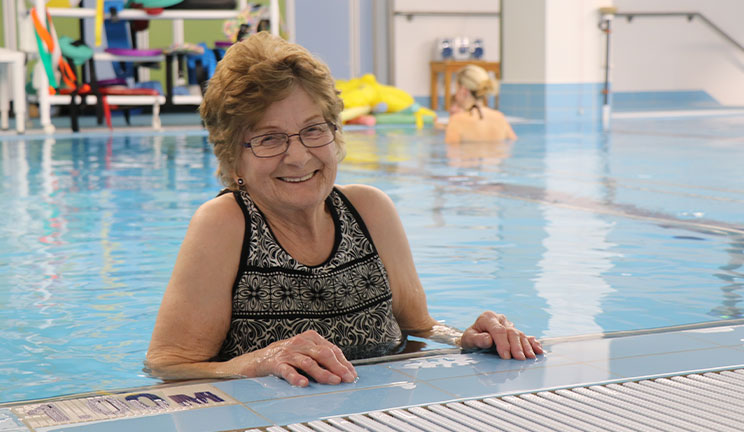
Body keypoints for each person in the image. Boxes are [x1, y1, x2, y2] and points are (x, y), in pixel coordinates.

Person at [146, 32, 542, 387]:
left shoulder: (370, 211)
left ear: (335, 133)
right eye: (269, 138)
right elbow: (169, 365)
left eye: (313, 130)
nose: (298, 156)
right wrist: (258, 362)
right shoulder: (226, 224)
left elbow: (420, 326)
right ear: (233, 159)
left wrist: (466, 339)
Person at [444, 64, 517, 144]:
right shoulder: (499, 117)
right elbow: (512, 143)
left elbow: (452, 154)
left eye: (456, 89)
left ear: (463, 90)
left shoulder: (457, 120)